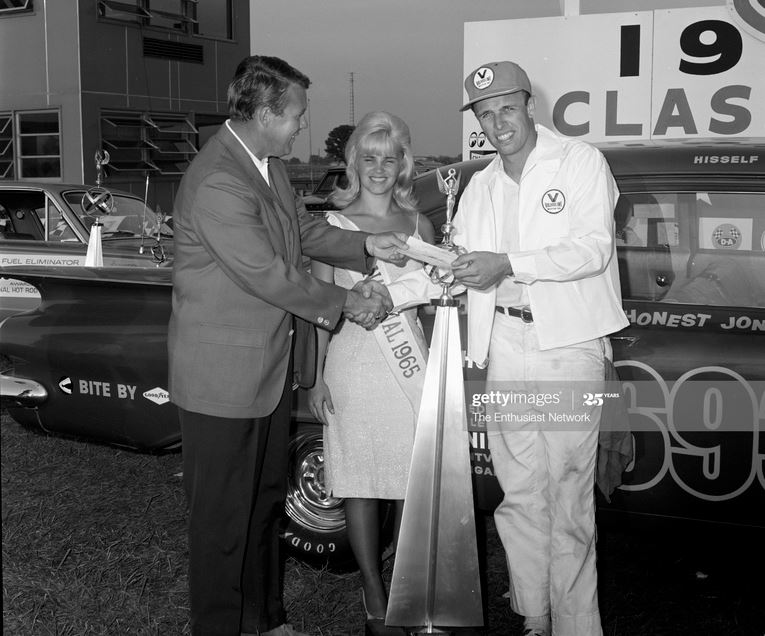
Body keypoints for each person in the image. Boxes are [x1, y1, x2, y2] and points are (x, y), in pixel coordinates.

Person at [168, 55, 408, 636]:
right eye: (297, 114)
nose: (303, 125)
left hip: (265, 375)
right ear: (267, 113)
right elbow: (267, 272)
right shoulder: (219, 178)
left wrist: (372, 245)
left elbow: (302, 232)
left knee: (265, 505)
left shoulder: (266, 165)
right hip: (221, 384)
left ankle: (266, 620)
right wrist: (349, 302)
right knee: (224, 524)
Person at [388, 61, 629, 636]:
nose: (497, 124)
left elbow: (591, 249)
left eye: (506, 109)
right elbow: (459, 268)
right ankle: (534, 614)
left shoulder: (579, 162)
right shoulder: (481, 186)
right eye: (484, 114)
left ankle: (576, 625)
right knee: (519, 492)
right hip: (505, 345)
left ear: (529, 105)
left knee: (569, 493)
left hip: (569, 348)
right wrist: (390, 289)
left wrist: (508, 264)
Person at [306, 111, 434, 636]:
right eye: (369, 157)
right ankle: (372, 591)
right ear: (353, 163)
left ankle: (403, 586)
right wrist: (315, 378)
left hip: (409, 366)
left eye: (390, 157)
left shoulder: (420, 225)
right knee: (360, 482)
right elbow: (315, 306)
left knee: (408, 481)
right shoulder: (332, 226)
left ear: (403, 163)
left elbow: (428, 304)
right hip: (354, 363)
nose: (379, 167)